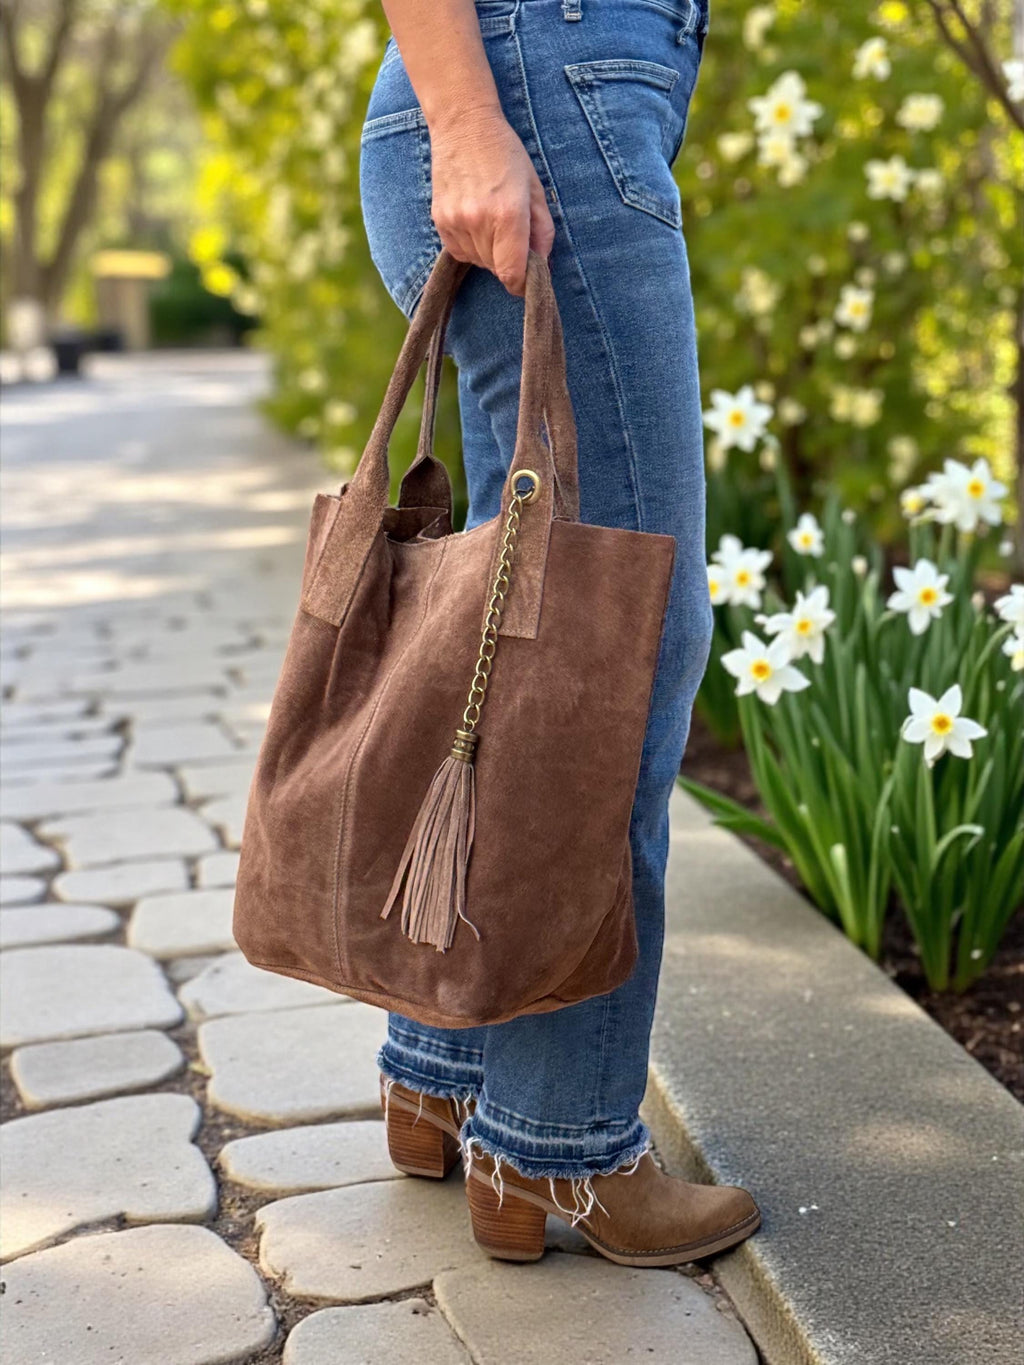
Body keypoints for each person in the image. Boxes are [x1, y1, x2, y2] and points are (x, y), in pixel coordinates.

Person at [360, 0, 761, 1266]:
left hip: (536, 89)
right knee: (615, 651)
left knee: (533, 638)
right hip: (537, 95)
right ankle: (558, 1141)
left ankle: (447, 1069)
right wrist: (472, 125)